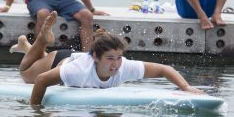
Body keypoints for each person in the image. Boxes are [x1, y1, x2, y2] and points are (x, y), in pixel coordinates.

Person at [12, 10, 205, 106]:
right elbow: (41, 80)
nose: (116, 64)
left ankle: (25, 46)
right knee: (26, 73)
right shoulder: (77, 72)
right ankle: (40, 41)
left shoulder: (124, 66)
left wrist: (185, 87)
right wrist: (35, 112)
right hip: (60, 60)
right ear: (95, 57)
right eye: (110, 58)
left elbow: (164, 69)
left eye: (119, 57)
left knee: (32, 64)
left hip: (76, 57)